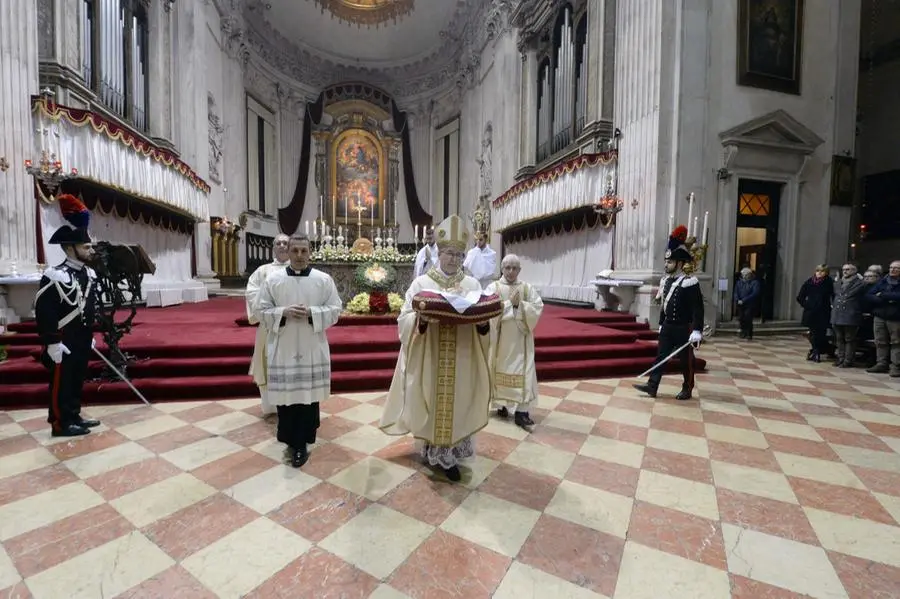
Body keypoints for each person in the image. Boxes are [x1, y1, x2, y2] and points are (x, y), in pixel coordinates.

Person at [379, 215, 492, 482]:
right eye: (449, 253)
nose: (454, 259)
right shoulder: (421, 284)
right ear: (439, 253)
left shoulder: (473, 285)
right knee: (431, 399)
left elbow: (486, 321)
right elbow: (404, 318)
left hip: (463, 354)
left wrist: (484, 322)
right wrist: (420, 321)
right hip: (430, 354)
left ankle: (453, 452)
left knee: (460, 399)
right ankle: (436, 452)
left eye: (459, 254)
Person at [256, 235, 343, 467]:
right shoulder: (273, 280)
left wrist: (313, 313)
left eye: (304, 251)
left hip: (310, 345)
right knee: (287, 398)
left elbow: (335, 309)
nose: (299, 256)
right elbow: (260, 310)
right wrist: (282, 312)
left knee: (307, 398)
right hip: (283, 345)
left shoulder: (323, 280)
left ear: (310, 252)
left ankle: (303, 440)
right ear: (288, 252)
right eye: (295, 251)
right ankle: (289, 438)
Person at [34, 194, 101, 437]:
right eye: (86, 247)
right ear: (69, 248)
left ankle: (73, 414)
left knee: (76, 379)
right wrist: (51, 341)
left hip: (80, 337)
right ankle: (60, 423)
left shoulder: (88, 275)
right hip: (62, 338)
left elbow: (88, 306)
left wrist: (89, 333)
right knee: (61, 384)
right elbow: (44, 310)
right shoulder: (55, 275)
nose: (90, 250)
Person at [633, 225, 704, 401]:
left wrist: (697, 330)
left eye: (670, 262)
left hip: (683, 327)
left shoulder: (690, 282)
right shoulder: (666, 281)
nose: (666, 265)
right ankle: (652, 386)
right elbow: (664, 305)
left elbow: (697, 307)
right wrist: (661, 324)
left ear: (680, 263)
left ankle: (687, 388)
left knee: (685, 360)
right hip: (668, 327)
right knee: (661, 357)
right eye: (666, 262)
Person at [486, 254, 543, 429]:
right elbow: (488, 311)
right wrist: (510, 304)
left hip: (521, 341)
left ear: (519, 270)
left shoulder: (526, 288)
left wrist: (521, 306)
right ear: (502, 268)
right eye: (507, 268)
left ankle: (522, 412)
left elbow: (537, 307)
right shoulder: (493, 287)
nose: (511, 272)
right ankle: (501, 404)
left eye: (514, 268)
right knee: (498, 369)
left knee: (524, 371)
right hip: (500, 340)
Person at [245, 234, 291, 416]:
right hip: (268, 326)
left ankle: (291, 404)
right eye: (278, 243)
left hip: (292, 327)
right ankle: (270, 406)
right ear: (273, 247)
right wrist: (271, 309)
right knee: (267, 362)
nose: (282, 246)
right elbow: (251, 292)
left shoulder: (300, 270)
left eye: (285, 243)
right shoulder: (262, 271)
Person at [867, 260, 900, 376]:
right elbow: (870, 295)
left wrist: (883, 295)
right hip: (880, 315)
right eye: (891, 267)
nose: (892, 270)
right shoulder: (883, 281)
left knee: (896, 342)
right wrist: (887, 300)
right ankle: (881, 363)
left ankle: (896, 366)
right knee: (880, 341)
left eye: (896, 268)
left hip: (896, 317)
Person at [797, 264, 835, 363]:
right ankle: (816, 351)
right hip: (811, 312)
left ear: (826, 273)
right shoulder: (809, 282)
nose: (819, 273)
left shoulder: (829, 282)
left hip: (823, 312)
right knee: (813, 333)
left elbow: (833, 296)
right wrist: (808, 305)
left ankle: (819, 350)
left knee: (821, 334)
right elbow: (800, 297)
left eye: (822, 271)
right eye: (818, 271)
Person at [831, 263, 866, 368]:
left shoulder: (859, 283)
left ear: (854, 271)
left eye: (848, 269)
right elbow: (834, 295)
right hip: (837, 314)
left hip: (850, 314)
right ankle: (840, 358)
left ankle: (848, 360)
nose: (845, 271)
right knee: (839, 338)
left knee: (849, 338)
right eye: (844, 269)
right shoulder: (838, 283)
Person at [734, 267, 760, 340]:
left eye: (745, 274)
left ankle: (749, 333)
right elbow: (736, 292)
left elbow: (755, 293)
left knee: (748, 318)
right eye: (743, 274)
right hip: (740, 303)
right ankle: (743, 332)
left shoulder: (755, 282)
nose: (744, 275)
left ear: (749, 274)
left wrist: (744, 300)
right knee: (741, 318)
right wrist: (737, 299)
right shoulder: (739, 282)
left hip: (750, 304)